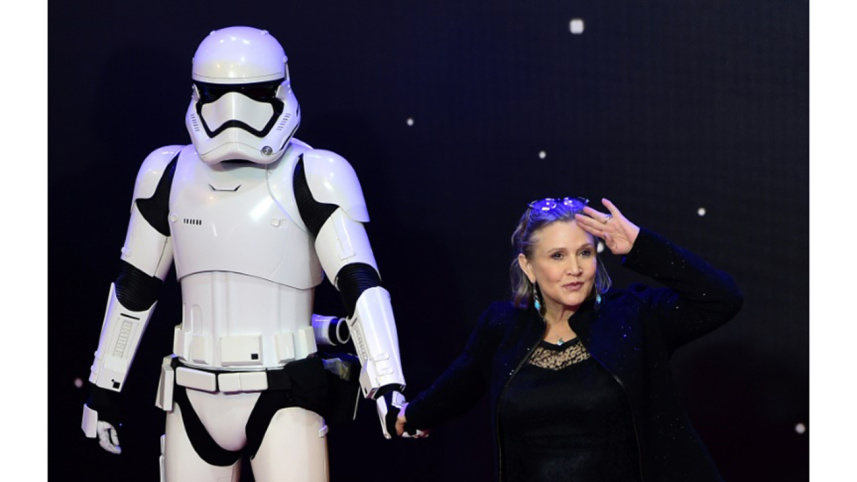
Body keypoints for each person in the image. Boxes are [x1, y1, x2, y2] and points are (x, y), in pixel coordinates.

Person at [80, 26, 407, 482]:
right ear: (198, 93)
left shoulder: (316, 173)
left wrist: (387, 381)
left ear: (278, 91)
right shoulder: (166, 172)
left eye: (252, 94)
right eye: (217, 94)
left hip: (284, 393)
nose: (233, 114)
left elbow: (359, 284)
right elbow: (134, 287)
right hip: (191, 390)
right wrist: (103, 387)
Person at [395, 197, 743, 482]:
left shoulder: (635, 315)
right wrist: (413, 415)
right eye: (557, 255)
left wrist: (640, 245)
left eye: (585, 253)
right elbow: (462, 382)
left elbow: (721, 299)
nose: (574, 268)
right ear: (528, 266)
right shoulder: (502, 326)